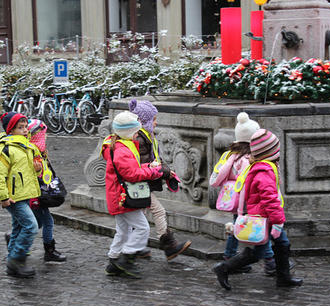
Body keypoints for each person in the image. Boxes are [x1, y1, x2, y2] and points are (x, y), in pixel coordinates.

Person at [212, 129, 303, 290]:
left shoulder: (262, 166)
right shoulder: (264, 170)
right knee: (261, 251)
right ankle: (224, 268)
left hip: (264, 216)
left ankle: (283, 277)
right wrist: (277, 221)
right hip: (264, 217)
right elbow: (270, 199)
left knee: (282, 243)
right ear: (271, 151)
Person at [101, 111, 170, 279]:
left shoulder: (118, 146)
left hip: (118, 196)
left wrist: (147, 166)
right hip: (125, 197)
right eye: (136, 131)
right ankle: (127, 257)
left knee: (123, 230)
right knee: (142, 228)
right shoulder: (122, 151)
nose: (138, 134)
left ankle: (114, 259)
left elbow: (131, 169)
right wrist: (153, 171)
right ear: (128, 132)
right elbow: (133, 174)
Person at [210, 112, 275, 275]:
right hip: (246, 201)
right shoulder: (248, 158)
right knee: (261, 227)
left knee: (235, 227)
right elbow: (251, 180)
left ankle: (229, 255)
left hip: (234, 199)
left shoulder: (232, 155)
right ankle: (270, 262)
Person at [129, 99, 191, 260]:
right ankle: (168, 246)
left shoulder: (146, 137)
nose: (156, 123)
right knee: (158, 211)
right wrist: (165, 172)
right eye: (154, 119)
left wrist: (165, 171)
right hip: (139, 184)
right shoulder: (140, 140)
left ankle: (134, 247)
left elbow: (154, 160)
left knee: (139, 214)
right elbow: (146, 164)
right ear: (144, 121)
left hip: (141, 184)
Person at [3, 119, 66, 262]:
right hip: (35, 194)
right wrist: (37, 170)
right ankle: (48, 251)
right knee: (44, 222)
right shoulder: (32, 150)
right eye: (43, 134)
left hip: (37, 193)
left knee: (36, 222)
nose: (46, 137)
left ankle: (14, 238)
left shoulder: (36, 150)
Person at [0, 112, 42, 278]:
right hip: (13, 197)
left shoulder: (24, 146)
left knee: (18, 227)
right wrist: (3, 197)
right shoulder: (5, 149)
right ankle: (16, 259)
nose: (25, 130)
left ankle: (12, 260)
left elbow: (25, 171)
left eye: (26, 126)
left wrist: (37, 169)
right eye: (20, 127)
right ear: (10, 130)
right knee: (31, 226)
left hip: (23, 194)